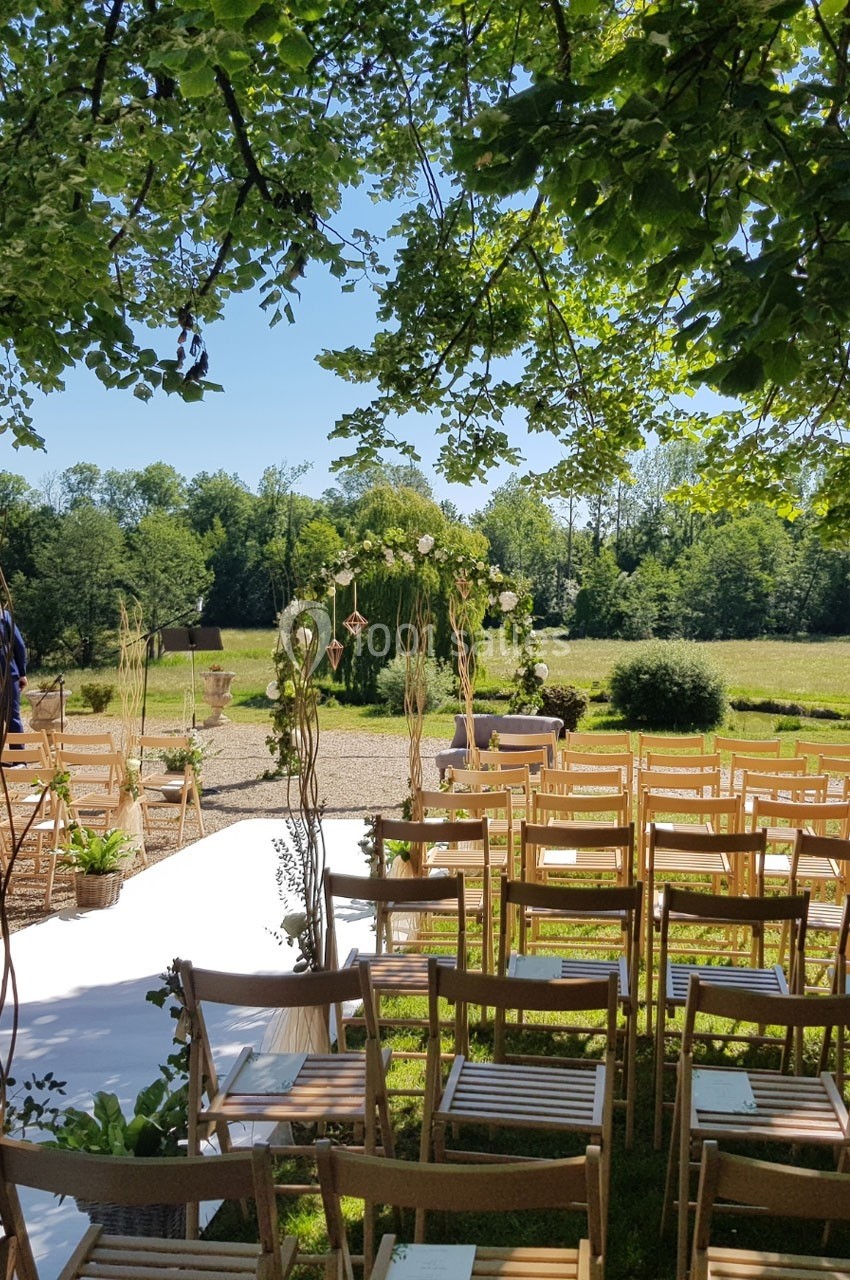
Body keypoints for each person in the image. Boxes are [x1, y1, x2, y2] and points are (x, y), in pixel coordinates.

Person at [0, 609, 27, 734]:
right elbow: (19, 645)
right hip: (7, 671)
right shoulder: (3, 615)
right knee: (12, 718)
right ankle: (17, 753)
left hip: (7, 672)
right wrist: (22, 673)